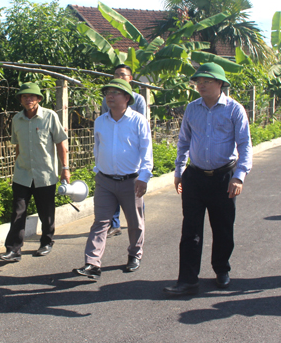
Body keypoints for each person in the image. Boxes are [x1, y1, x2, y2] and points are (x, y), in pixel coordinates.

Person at [164, 63, 252, 296]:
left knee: (223, 228)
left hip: (224, 177)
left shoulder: (234, 110)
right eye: (198, 81)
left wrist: (239, 176)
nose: (201, 85)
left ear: (220, 83)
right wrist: (179, 171)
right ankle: (188, 279)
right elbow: (183, 141)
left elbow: (244, 144)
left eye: (207, 81)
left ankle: (221, 269)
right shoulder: (192, 109)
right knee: (190, 230)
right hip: (195, 177)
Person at [73, 78, 153, 280]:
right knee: (100, 222)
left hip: (131, 181)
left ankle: (135, 254)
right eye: (108, 92)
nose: (110, 95)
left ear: (127, 98)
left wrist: (144, 177)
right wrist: (98, 170)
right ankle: (92, 263)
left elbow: (146, 151)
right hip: (105, 181)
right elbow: (97, 147)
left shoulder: (138, 121)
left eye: (115, 92)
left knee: (135, 222)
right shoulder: (100, 121)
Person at [0, 83, 69, 262]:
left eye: (32, 96)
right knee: (18, 212)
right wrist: (16, 166)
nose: (28, 99)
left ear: (38, 99)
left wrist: (65, 168)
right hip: (22, 174)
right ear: (21, 100)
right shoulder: (16, 120)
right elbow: (18, 146)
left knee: (46, 212)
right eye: (24, 96)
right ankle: (13, 249)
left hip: (45, 174)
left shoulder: (50, 116)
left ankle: (46, 242)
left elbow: (61, 143)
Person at [100, 65, 148, 238]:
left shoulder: (138, 100)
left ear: (130, 79)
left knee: (135, 192)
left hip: (131, 149)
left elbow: (142, 123)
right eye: (116, 75)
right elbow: (103, 121)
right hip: (112, 146)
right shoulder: (108, 99)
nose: (119, 77)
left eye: (122, 75)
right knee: (110, 183)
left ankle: (137, 223)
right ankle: (114, 224)